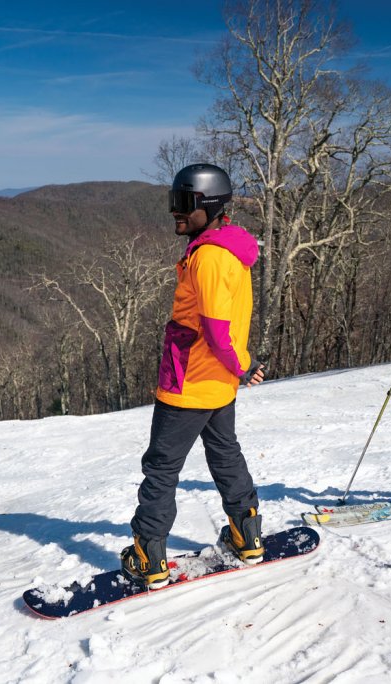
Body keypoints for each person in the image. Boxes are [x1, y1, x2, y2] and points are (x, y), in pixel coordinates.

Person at [121, 163, 266, 589]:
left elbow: (217, 329)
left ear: (213, 206)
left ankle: (148, 557)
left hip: (191, 379)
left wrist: (242, 363)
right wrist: (239, 366)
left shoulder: (207, 258)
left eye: (184, 203)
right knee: (226, 455)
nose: (175, 212)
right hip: (217, 381)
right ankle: (247, 537)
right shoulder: (229, 250)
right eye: (173, 202)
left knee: (162, 468)